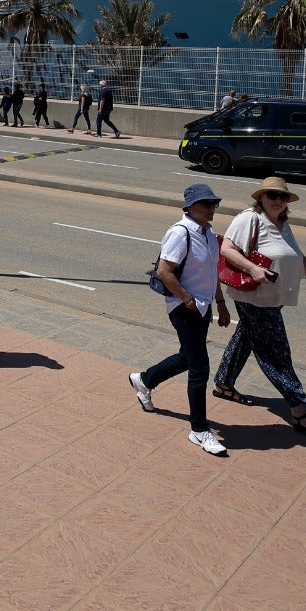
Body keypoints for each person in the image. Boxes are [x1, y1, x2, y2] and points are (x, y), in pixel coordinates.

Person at [213, 178, 306, 433]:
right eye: (272, 195)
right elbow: (227, 249)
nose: (278, 200)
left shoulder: (282, 223)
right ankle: (299, 411)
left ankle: (223, 383)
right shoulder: (249, 218)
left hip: (274, 297)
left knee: (247, 337)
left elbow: (298, 258)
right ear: (261, 197)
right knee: (276, 353)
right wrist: (253, 269)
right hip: (254, 297)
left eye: (282, 197)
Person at [129, 184, 236, 456]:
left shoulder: (209, 234)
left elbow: (212, 273)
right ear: (189, 207)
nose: (211, 208)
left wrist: (221, 304)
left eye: (214, 203)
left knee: (189, 358)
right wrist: (187, 299)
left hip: (201, 307)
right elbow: (165, 271)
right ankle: (199, 430)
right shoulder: (180, 233)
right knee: (200, 367)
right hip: (184, 307)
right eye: (206, 204)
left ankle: (144, 379)